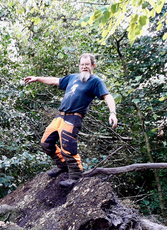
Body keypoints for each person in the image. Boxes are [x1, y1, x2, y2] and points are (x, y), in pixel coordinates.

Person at [24, 53, 118, 187]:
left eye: (87, 65)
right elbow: (55, 80)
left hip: (74, 117)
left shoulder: (95, 81)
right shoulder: (72, 78)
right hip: (60, 115)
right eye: (82, 64)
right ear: (79, 65)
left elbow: (107, 96)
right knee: (45, 143)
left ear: (93, 66)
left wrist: (112, 113)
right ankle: (62, 166)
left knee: (68, 146)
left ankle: (75, 175)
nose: (84, 67)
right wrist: (37, 78)